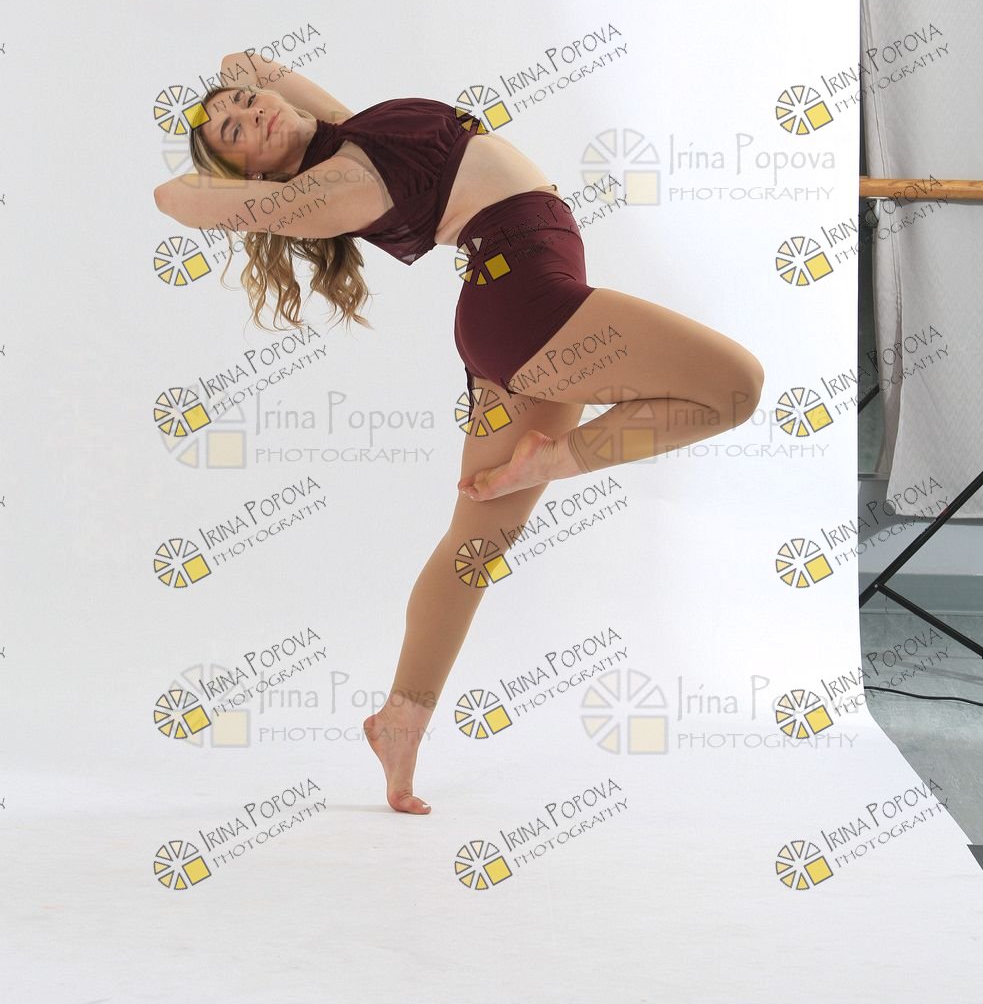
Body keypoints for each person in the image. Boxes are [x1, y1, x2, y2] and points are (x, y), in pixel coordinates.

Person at [154, 49, 764, 814]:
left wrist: (230, 98)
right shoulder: (323, 189)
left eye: (248, 102)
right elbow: (172, 196)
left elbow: (252, 66)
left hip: (505, 310)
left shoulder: (344, 132)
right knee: (734, 387)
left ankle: (400, 722)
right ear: (252, 176)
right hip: (530, 306)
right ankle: (554, 461)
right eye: (237, 132)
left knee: (475, 546)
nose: (254, 110)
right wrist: (248, 186)